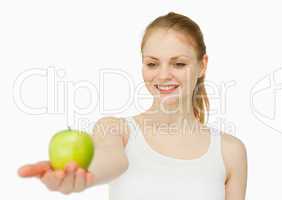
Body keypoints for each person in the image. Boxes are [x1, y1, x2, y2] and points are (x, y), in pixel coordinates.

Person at [18, 12, 247, 199]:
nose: (163, 75)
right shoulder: (117, 130)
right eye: (152, 64)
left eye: (178, 64)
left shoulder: (230, 151)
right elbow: (109, 159)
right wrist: (82, 176)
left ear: (202, 65)